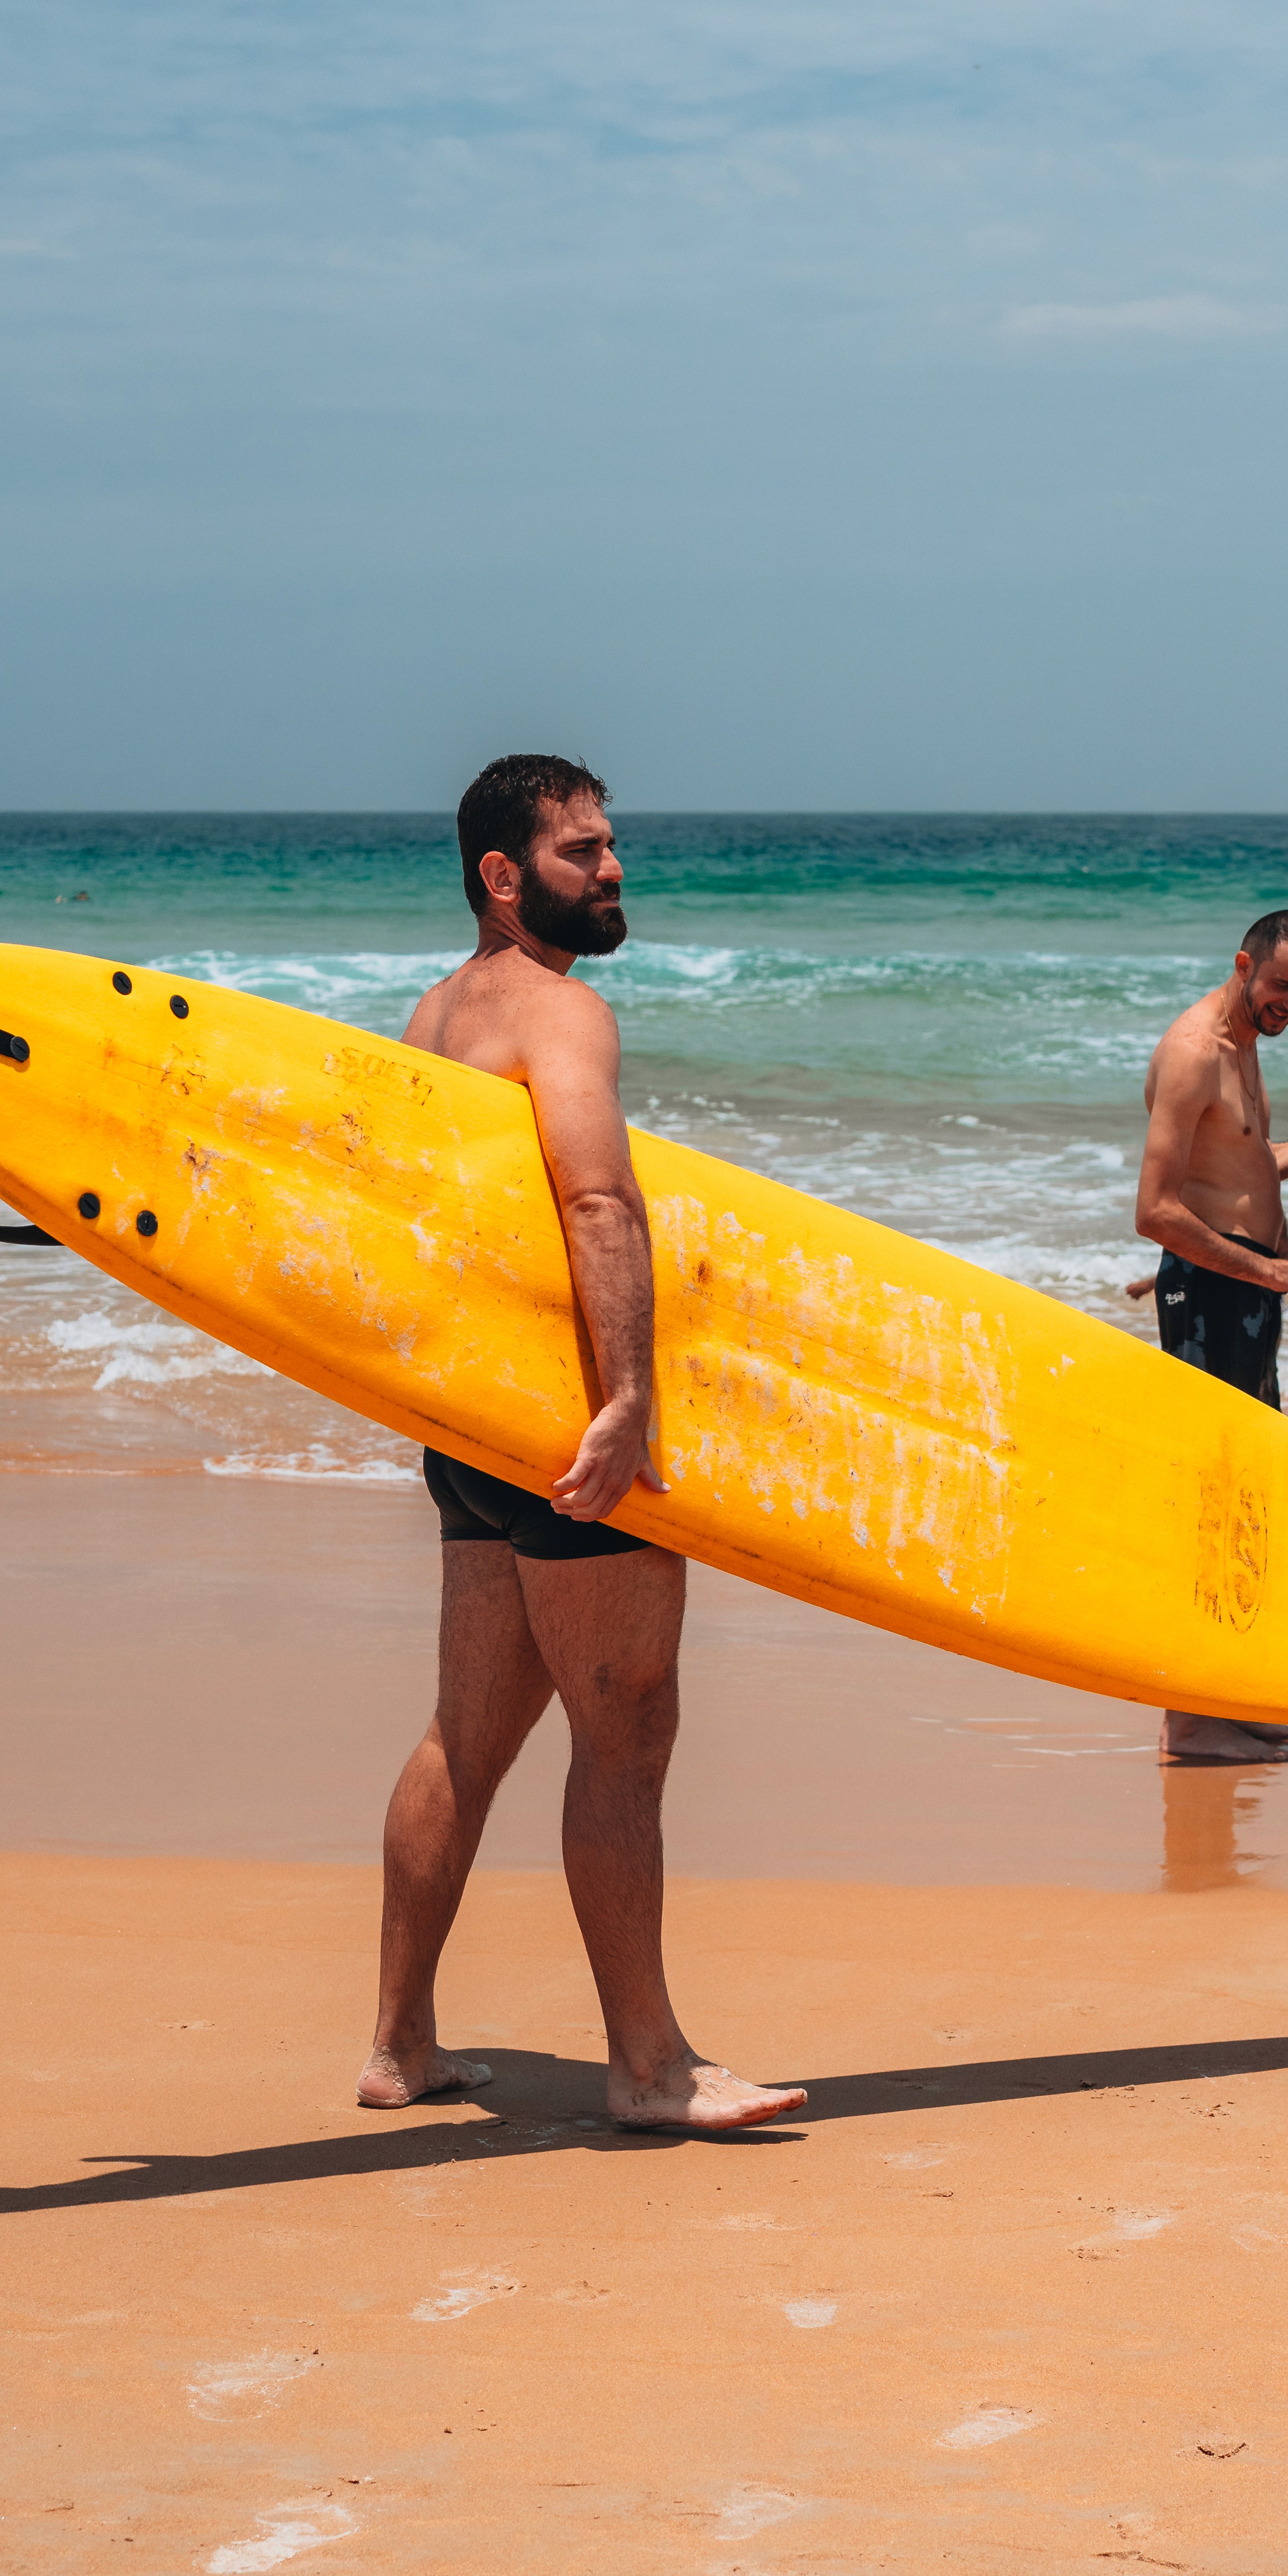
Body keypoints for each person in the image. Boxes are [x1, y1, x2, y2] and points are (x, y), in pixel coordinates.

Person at [360, 753, 807, 2136]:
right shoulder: (563, 1013)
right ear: (502, 876)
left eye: (611, 845)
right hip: (565, 1425)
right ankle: (648, 2065)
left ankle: (400, 2046)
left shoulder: (435, 1014)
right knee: (627, 1730)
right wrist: (627, 1399)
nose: (612, 869)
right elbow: (597, 1201)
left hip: (474, 1423)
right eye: (581, 850)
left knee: (467, 1735)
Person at [1130, 906, 1288, 1765]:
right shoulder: (1193, 1053)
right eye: (1281, 984)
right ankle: (1188, 1722)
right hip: (1219, 1294)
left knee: (1246, 1500)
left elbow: (1240, 1166)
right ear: (1244, 964)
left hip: (1240, 1292)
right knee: (1206, 1509)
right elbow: (1154, 1211)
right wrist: (1268, 1271)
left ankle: (1229, 1698)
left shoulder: (1249, 1042)